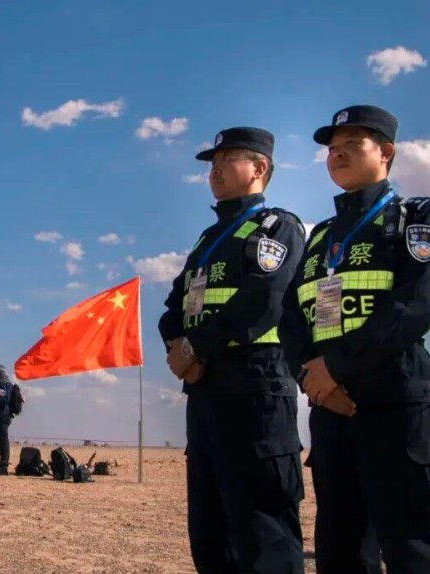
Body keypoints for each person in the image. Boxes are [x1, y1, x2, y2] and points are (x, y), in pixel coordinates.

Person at [279, 105, 430, 573]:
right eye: (332, 149)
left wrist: (335, 367)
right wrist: (310, 375)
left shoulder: (413, 219)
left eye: (352, 145)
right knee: (340, 548)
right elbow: (291, 315)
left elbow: (413, 305)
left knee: (410, 546)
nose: (337, 154)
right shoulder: (321, 236)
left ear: (385, 152)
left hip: (394, 406)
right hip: (330, 409)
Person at [158, 127, 306, 574]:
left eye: (228, 160)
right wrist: (180, 351)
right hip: (205, 394)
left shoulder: (277, 227)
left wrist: (194, 347)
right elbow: (172, 308)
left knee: (263, 534)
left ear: (259, 168)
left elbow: (263, 302)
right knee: (210, 532)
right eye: (212, 164)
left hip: (256, 391)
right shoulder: (207, 242)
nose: (216, 170)